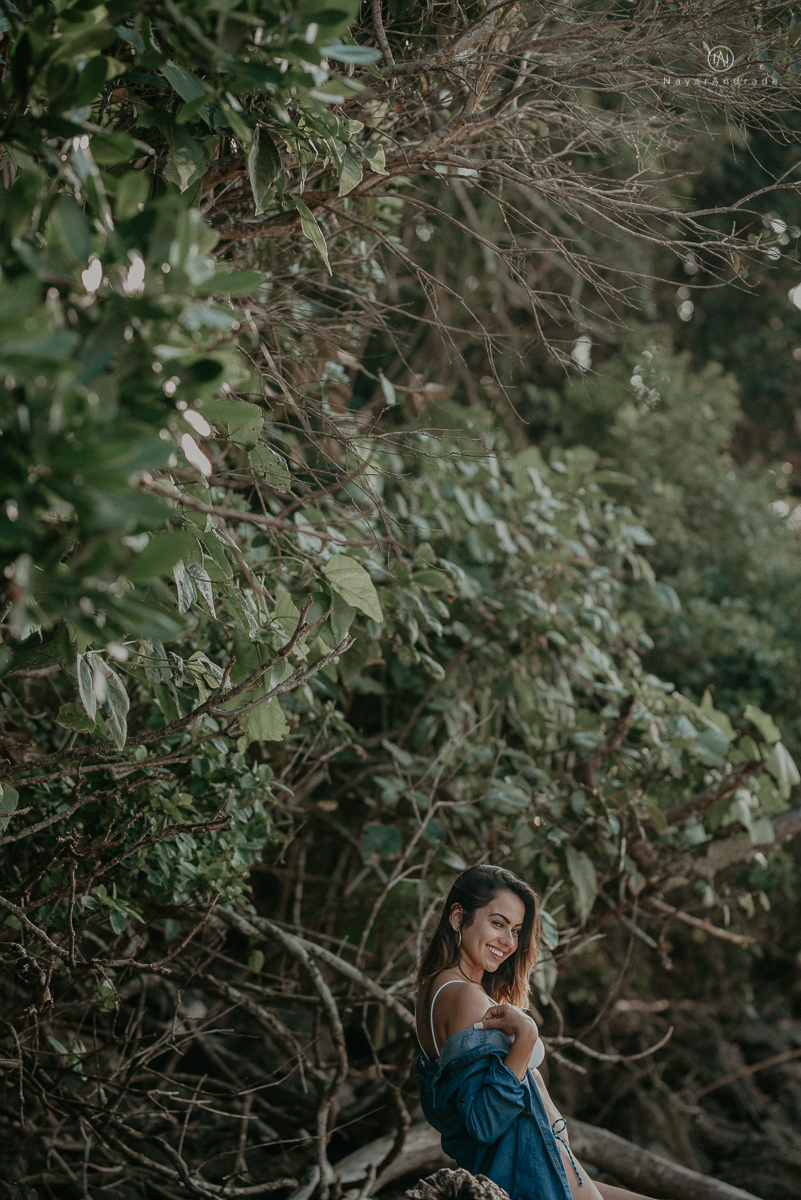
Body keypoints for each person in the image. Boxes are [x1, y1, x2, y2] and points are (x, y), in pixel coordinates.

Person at [414, 864, 661, 1200]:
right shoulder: (464, 995)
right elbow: (483, 1122)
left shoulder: (439, 988)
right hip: (524, 1168)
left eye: (515, 930)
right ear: (458, 917)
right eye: (498, 924)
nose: (508, 941)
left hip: (541, 1159)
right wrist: (526, 1036)